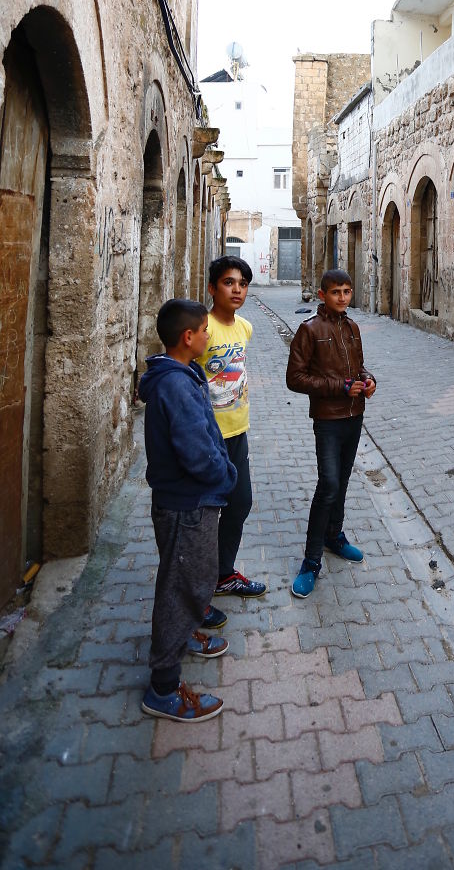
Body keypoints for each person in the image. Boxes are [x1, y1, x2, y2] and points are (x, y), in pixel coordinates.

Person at [139, 299, 237, 722]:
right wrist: (225, 475)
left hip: (185, 501)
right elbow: (196, 453)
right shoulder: (175, 386)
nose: (208, 335)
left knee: (184, 578)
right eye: (203, 330)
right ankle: (163, 687)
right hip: (188, 503)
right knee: (185, 584)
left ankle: (182, 635)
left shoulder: (180, 375)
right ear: (188, 337)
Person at [286, 268, 376, 598]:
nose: (342, 297)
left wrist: (368, 381)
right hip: (328, 419)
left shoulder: (352, 327)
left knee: (343, 483)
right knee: (329, 485)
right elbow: (295, 378)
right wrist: (340, 387)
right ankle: (311, 562)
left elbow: (358, 367)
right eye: (336, 292)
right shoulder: (309, 330)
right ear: (323, 295)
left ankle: (334, 536)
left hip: (354, 417)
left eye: (347, 292)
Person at [196, 255, 267, 602]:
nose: (237, 289)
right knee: (206, 513)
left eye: (242, 283)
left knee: (240, 504)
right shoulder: (202, 329)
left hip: (238, 431)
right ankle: (198, 586)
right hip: (208, 437)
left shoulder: (244, 328)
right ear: (212, 288)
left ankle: (223, 574)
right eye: (228, 282)